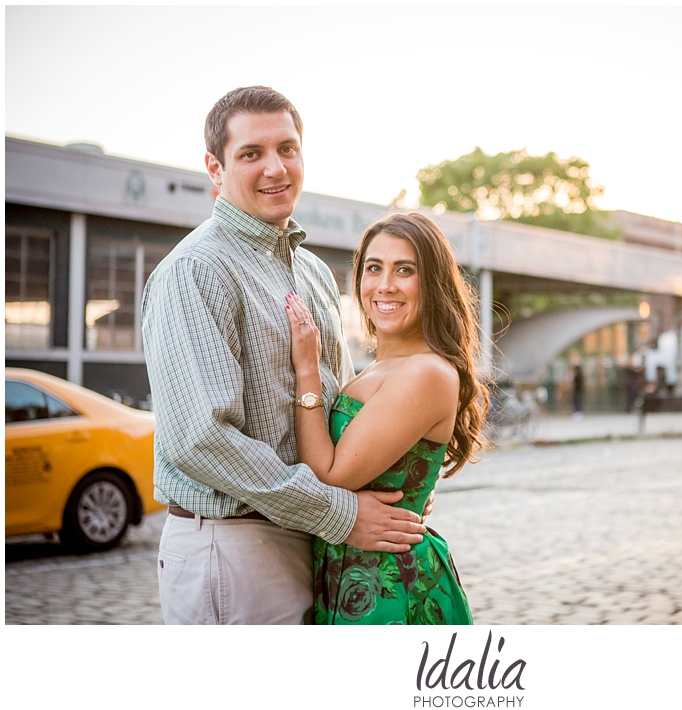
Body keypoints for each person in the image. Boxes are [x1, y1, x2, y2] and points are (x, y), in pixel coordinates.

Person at [141, 86, 426, 625]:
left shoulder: (313, 271)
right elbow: (200, 440)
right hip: (232, 545)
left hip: (308, 535)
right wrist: (341, 514)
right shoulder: (196, 270)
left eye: (287, 149)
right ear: (215, 167)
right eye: (251, 154)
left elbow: (341, 408)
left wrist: (391, 490)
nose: (275, 168)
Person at [285, 212, 487, 624]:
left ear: (432, 283)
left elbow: (331, 475)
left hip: (393, 587)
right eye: (373, 268)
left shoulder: (426, 372)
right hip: (346, 577)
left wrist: (306, 371)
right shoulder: (378, 370)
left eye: (405, 270)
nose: (385, 284)